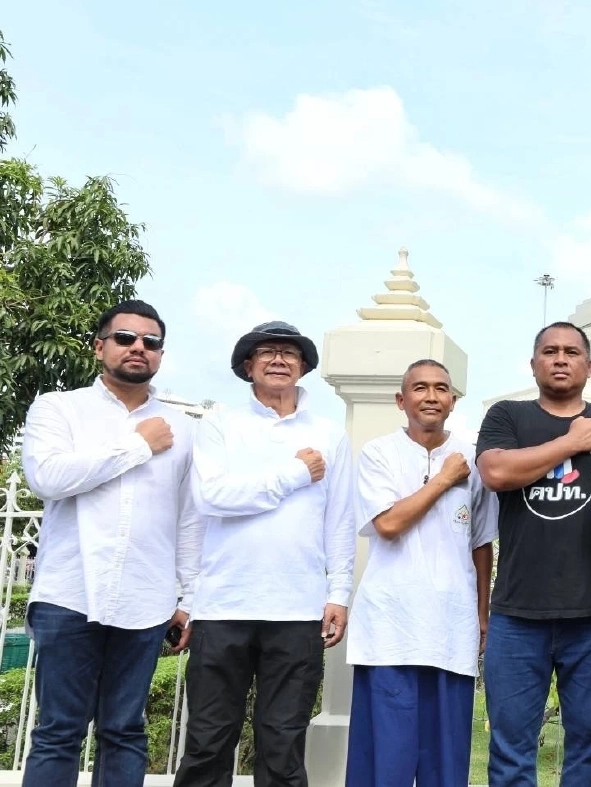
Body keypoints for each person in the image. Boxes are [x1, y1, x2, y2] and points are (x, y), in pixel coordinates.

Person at [20, 300, 200, 787]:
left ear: (160, 354)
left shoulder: (182, 428)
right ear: (100, 347)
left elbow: (188, 518)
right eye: (125, 338)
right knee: (59, 731)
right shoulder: (60, 408)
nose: (138, 348)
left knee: (125, 730)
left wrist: (187, 598)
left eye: (151, 341)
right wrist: (138, 445)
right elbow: (48, 478)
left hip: (146, 598)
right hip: (68, 593)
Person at [175, 321, 357, 787]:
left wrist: (338, 593)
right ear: (247, 366)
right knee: (208, 739)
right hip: (222, 606)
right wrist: (295, 472)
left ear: (303, 368)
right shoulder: (220, 422)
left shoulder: (330, 433)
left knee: (282, 741)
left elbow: (339, 521)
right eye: (268, 352)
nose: (279, 359)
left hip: (298, 608)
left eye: (289, 353)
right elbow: (211, 498)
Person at [476, 321, 591, 786]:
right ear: (534, 364)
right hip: (515, 613)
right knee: (510, 749)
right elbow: (496, 472)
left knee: (590, 746)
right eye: (550, 351)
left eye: (572, 352)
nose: (561, 359)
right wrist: (570, 443)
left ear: (590, 365)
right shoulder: (507, 417)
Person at [344, 359, 497, 787]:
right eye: (420, 388)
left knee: (445, 763)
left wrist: (482, 613)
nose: (431, 396)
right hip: (390, 628)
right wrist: (444, 479)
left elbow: (481, 542)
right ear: (401, 399)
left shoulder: (473, 457)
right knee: (384, 763)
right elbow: (388, 524)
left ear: (453, 400)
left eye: (441, 388)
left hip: (451, 625)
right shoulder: (379, 453)